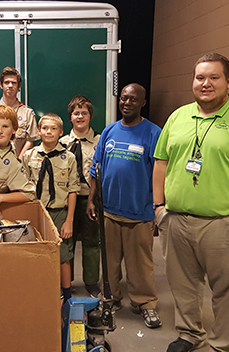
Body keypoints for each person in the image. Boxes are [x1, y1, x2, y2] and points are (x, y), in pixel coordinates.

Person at [153, 53, 229, 352]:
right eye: (200, 77)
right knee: (183, 286)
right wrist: (159, 208)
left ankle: (222, 344)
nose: (205, 83)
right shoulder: (179, 117)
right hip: (177, 220)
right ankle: (189, 334)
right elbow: (161, 161)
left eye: (213, 77)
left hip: (225, 224)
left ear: (228, 81)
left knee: (227, 291)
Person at [86, 83, 163, 329]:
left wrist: (158, 207)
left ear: (143, 102)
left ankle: (146, 304)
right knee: (108, 263)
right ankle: (109, 299)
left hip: (139, 213)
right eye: (123, 98)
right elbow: (96, 169)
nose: (126, 103)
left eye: (133, 99)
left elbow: (161, 173)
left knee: (140, 264)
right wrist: (91, 199)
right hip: (109, 211)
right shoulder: (109, 131)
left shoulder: (153, 133)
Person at [22, 113, 80, 302]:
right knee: (35, 253)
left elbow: (73, 190)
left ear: (61, 132)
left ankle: (67, 294)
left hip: (59, 213)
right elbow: (23, 185)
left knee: (63, 255)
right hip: (35, 211)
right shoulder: (29, 156)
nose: (49, 131)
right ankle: (40, 287)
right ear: (38, 131)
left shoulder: (69, 157)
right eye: (45, 128)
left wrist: (69, 220)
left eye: (53, 128)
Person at [59, 95, 101, 298]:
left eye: (84, 113)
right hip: (67, 200)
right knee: (67, 240)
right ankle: (67, 281)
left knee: (92, 241)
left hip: (90, 198)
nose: (80, 116)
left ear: (90, 116)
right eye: (76, 113)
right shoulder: (62, 143)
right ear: (70, 117)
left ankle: (92, 282)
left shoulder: (100, 142)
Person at [0, 67, 40, 160]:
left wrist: (19, 160)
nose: (10, 85)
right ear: (1, 85)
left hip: (19, 163)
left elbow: (30, 141)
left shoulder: (28, 113)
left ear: (19, 86)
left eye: (14, 83)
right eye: (6, 82)